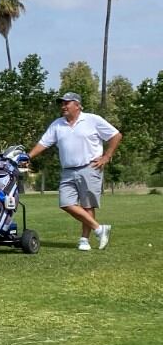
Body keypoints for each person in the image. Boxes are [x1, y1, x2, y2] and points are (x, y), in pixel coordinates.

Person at [27, 92, 122, 251]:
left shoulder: (92, 120)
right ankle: (99, 229)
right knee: (66, 203)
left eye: (66, 103)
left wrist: (106, 156)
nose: (63, 106)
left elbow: (116, 135)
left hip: (90, 167)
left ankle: (84, 240)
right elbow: (43, 143)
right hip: (68, 170)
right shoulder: (57, 124)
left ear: (77, 105)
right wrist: (28, 156)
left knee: (87, 205)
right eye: (62, 104)